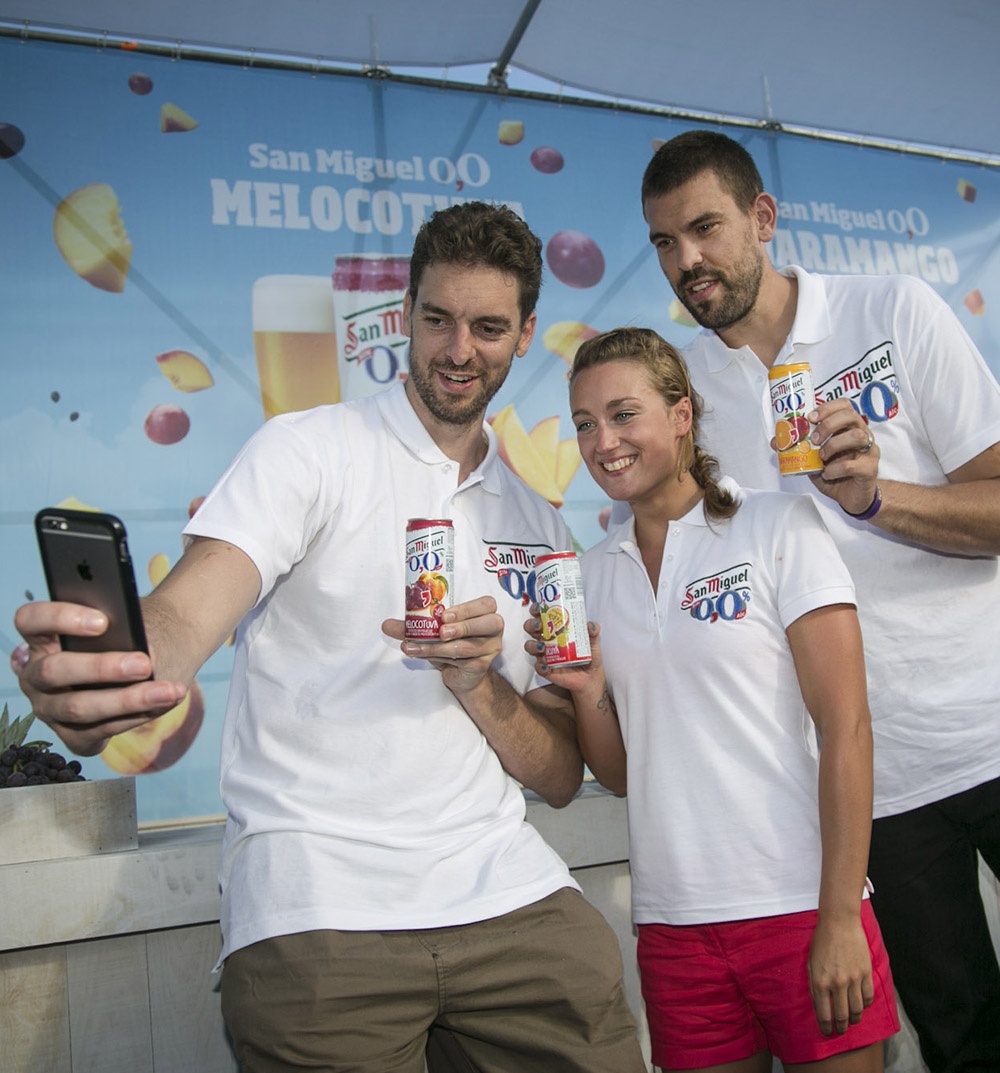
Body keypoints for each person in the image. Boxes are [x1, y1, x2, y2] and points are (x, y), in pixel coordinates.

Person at [11, 202, 646, 1073]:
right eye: (437, 319)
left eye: (489, 326)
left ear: (527, 332)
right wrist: (113, 672)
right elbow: (187, 614)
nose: (459, 350)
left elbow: (559, 776)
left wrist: (478, 682)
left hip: (503, 890)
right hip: (316, 899)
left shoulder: (536, 519)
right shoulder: (305, 452)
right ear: (406, 311)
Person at [638, 128, 1000, 1073]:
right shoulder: (685, 396)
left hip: (994, 721)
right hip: (876, 787)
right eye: (665, 242)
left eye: (705, 228)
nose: (689, 260)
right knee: (964, 1037)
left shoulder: (893, 309)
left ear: (763, 218)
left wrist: (882, 498)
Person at [534, 325, 899, 1072]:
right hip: (674, 929)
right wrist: (590, 690)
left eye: (623, 413)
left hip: (803, 907)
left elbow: (848, 728)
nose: (602, 441)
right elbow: (624, 774)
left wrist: (839, 917)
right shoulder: (589, 574)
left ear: (681, 414)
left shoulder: (775, 525)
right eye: (584, 423)